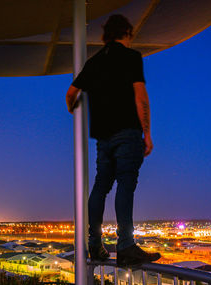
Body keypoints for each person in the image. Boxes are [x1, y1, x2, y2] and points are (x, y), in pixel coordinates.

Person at [65, 14, 161, 266]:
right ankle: (126, 246)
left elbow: (70, 94)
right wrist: (147, 133)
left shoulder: (94, 62)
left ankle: (95, 245)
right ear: (126, 33)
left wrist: (72, 108)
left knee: (101, 187)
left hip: (102, 137)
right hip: (127, 132)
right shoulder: (130, 57)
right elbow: (140, 96)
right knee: (125, 184)